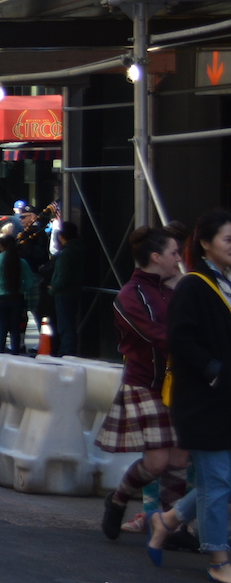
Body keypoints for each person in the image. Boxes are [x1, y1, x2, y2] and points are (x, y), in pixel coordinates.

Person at [147, 210, 231, 583]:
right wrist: (213, 370)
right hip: (203, 401)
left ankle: (167, 519)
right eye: (228, 240)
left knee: (222, 479)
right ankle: (218, 555)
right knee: (217, 480)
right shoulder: (195, 285)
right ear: (206, 243)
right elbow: (179, 340)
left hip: (226, 398)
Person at [99, 226, 186, 539]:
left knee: (178, 456)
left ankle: (170, 527)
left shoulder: (170, 289)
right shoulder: (130, 294)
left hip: (173, 382)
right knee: (158, 460)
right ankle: (119, 498)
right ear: (156, 257)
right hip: (144, 382)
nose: (179, 259)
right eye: (174, 253)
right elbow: (155, 335)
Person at [0, 233, 36, 355]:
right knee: (15, 328)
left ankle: (1, 352)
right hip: (17, 297)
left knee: (1, 327)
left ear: (1, 247)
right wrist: (23, 288)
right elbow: (30, 280)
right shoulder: (21, 262)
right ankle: (15, 352)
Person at [49, 219, 85, 356]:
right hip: (74, 290)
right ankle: (67, 349)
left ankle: (67, 350)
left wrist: (52, 288)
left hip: (63, 292)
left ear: (61, 236)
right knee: (68, 323)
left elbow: (62, 276)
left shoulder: (66, 253)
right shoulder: (78, 250)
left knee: (65, 325)